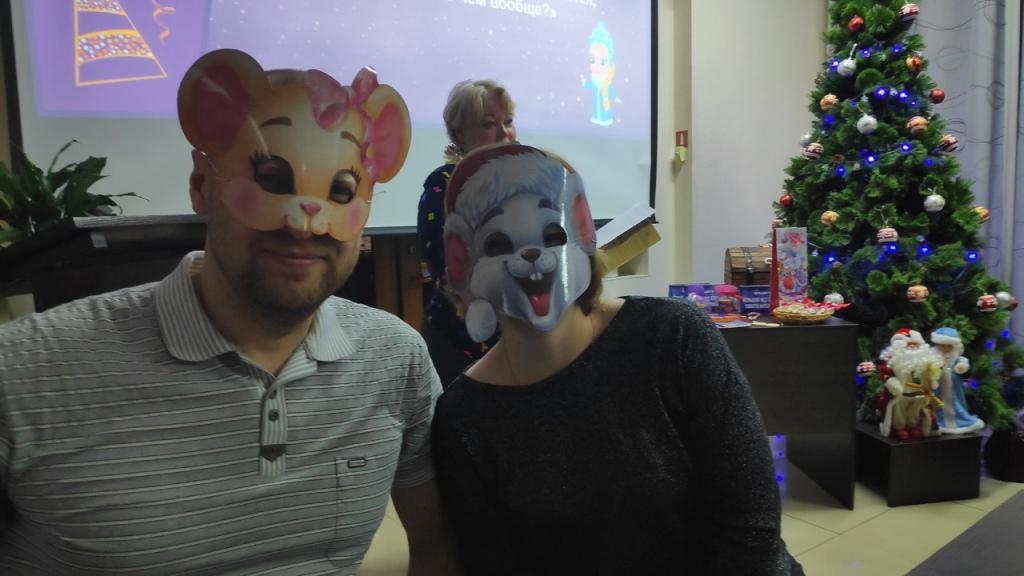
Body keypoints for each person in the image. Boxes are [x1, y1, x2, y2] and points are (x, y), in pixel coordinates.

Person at [0, 49, 455, 575]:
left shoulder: (395, 360)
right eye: (272, 178)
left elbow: (436, 542)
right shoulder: (24, 371)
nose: (304, 223)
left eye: (341, 190)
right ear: (201, 185)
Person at [432, 143, 802, 575]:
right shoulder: (464, 418)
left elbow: (751, 530)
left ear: (582, 233)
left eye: (552, 235)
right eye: (497, 242)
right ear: (462, 260)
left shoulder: (673, 337)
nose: (532, 256)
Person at [416, 79, 516, 387]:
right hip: (457, 337)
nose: (504, 133)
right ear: (460, 134)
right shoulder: (444, 183)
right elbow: (443, 262)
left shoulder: (523, 185)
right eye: (489, 123)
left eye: (509, 121)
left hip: (516, 332)